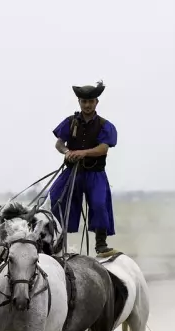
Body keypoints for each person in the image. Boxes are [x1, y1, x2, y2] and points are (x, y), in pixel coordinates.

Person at [48, 80, 118, 254]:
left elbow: (104, 148)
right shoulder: (70, 121)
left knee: (99, 204)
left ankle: (100, 243)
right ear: (79, 102)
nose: (87, 105)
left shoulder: (104, 125)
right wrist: (66, 152)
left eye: (91, 101)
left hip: (95, 174)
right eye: (84, 101)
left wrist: (83, 153)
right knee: (56, 196)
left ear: (96, 102)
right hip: (74, 172)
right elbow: (59, 143)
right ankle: (58, 238)